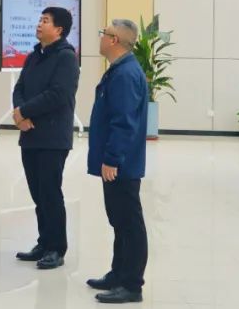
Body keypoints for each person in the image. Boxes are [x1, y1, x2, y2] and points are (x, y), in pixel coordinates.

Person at [12, 6, 80, 270]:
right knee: (38, 193)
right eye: (39, 20)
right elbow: (20, 87)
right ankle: (44, 242)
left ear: (59, 29)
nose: (39, 24)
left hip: (53, 136)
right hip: (30, 134)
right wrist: (19, 112)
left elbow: (59, 94)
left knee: (50, 192)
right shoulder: (34, 56)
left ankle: (56, 248)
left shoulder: (66, 57)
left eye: (45, 21)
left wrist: (25, 111)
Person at [86, 19, 149, 304]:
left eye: (104, 33)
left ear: (114, 40)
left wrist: (112, 158)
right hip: (118, 161)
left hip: (121, 163)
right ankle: (118, 274)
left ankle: (132, 285)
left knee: (129, 223)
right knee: (119, 221)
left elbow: (124, 122)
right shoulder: (119, 70)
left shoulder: (125, 74)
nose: (101, 36)